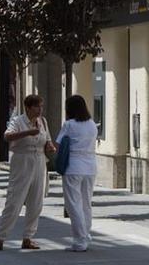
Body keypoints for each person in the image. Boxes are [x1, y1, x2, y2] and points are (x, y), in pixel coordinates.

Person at [0, 94, 56, 252]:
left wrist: (50, 147)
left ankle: (28, 237)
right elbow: (7, 136)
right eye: (37, 106)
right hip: (22, 161)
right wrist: (27, 133)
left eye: (41, 106)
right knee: (14, 200)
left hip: (39, 161)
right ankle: (0, 238)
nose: (40, 110)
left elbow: (48, 140)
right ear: (28, 107)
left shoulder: (42, 122)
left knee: (36, 202)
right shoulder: (18, 121)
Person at [54, 95, 98, 252]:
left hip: (73, 166)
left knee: (73, 204)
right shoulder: (92, 124)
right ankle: (86, 234)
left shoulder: (69, 125)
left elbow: (57, 145)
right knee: (86, 203)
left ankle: (80, 241)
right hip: (91, 166)